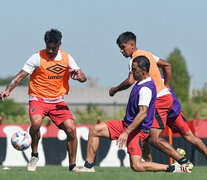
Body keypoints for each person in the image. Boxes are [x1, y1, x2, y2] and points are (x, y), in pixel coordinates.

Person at [76, 56, 187, 173]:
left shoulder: (146, 89)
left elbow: (143, 114)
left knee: (137, 166)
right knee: (95, 130)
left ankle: (174, 168)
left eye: (134, 70)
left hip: (137, 132)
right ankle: (88, 167)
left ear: (143, 70)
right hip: (126, 125)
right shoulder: (140, 82)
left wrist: (126, 133)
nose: (131, 72)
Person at [0, 29, 87, 172]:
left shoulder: (67, 58)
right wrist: (8, 90)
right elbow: (20, 76)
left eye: (54, 48)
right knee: (36, 123)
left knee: (71, 130)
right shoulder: (37, 57)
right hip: (38, 98)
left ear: (60, 44)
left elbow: (83, 77)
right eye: (48, 47)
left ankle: (72, 166)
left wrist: (79, 77)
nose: (51, 51)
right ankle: (34, 155)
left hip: (58, 102)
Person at [109, 31, 193, 171]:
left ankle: (183, 161)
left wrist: (115, 90)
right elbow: (167, 65)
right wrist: (166, 85)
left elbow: (130, 81)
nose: (121, 51)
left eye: (123, 47)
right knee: (148, 133)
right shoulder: (146, 54)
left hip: (159, 100)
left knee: (154, 138)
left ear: (132, 45)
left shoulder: (135, 60)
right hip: (162, 97)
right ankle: (152, 162)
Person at [143, 76, 207, 162]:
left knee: (151, 138)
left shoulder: (149, 77)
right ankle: (149, 162)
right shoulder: (156, 75)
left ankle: (150, 163)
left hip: (169, 111)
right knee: (148, 137)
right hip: (172, 110)